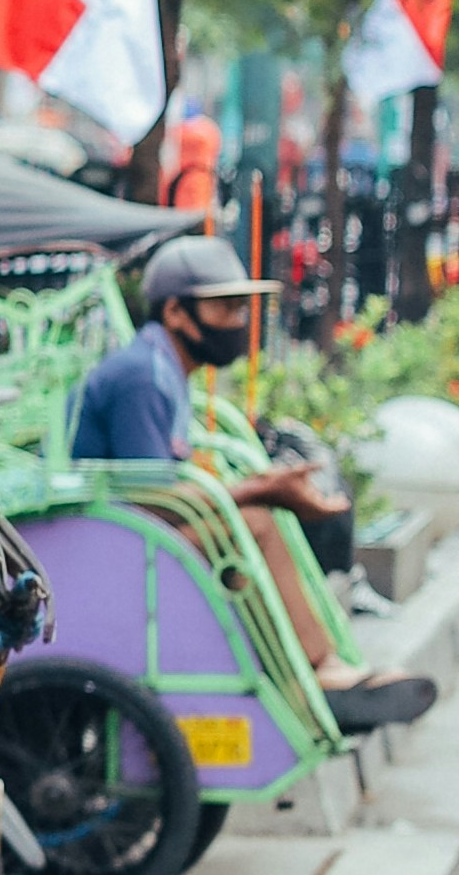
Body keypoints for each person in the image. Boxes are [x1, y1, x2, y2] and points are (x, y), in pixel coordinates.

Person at [70, 238, 433, 730]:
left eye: (242, 308)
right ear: (175, 312)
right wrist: (258, 490)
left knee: (254, 516)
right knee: (252, 523)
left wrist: (258, 487)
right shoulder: (145, 375)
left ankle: (320, 666)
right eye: (225, 308)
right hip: (108, 548)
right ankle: (313, 674)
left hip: (123, 535)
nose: (238, 322)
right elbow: (152, 499)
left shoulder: (163, 367)